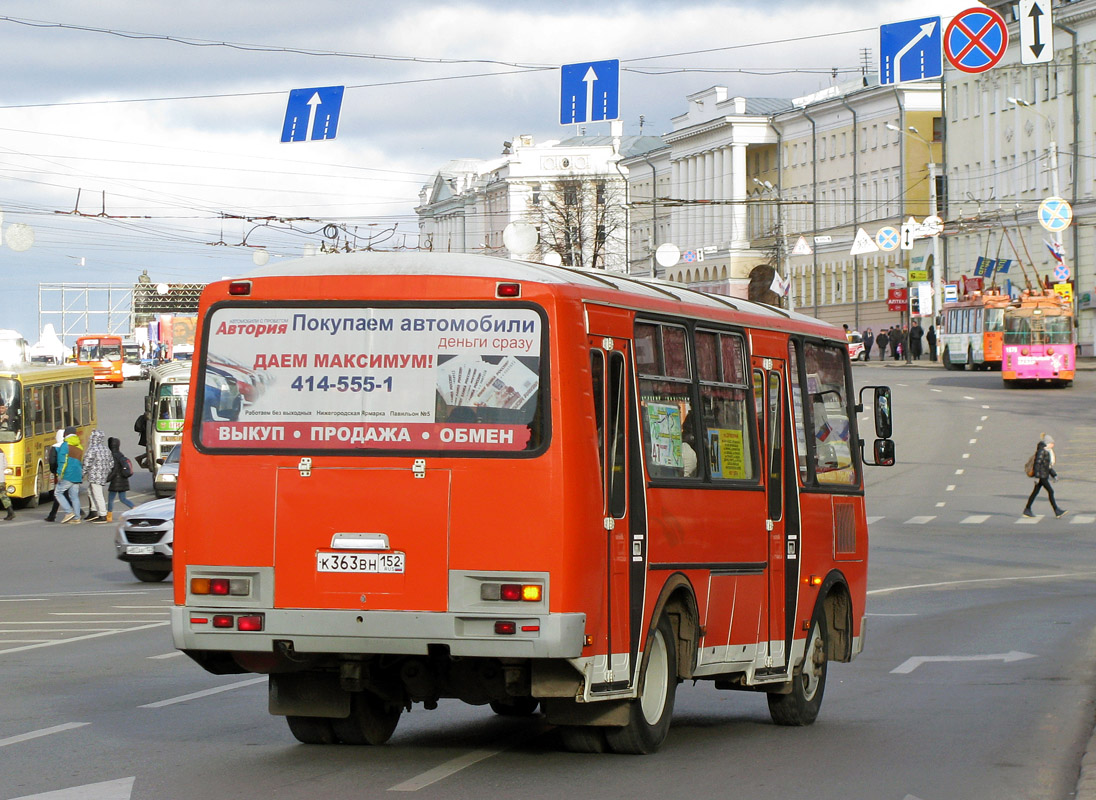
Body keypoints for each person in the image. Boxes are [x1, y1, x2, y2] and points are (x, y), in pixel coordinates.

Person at [1023, 434, 1066, 518]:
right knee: (1051, 491)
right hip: (1041, 476)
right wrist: (1036, 477)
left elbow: (1047, 466)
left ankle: (1027, 509)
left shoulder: (1045, 451)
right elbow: (1037, 464)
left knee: (1035, 492)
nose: (1053, 444)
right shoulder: (1042, 451)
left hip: (1043, 475)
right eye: (1052, 443)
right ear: (1048, 443)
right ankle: (1057, 510)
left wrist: (1054, 475)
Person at [101, 436, 135, 522]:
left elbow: (114, 470)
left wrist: (107, 479)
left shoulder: (112, 456)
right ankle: (134, 508)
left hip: (116, 481)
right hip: (123, 479)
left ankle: (109, 515)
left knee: (111, 499)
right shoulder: (120, 455)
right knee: (123, 498)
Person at [55, 426, 84, 524]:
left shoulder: (65, 445)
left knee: (58, 492)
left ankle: (68, 512)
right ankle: (77, 517)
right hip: (77, 474)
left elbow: (62, 461)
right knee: (74, 496)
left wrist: (59, 474)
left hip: (68, 474)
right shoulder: (79, 446)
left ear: (65, 434)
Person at [83, 429, 112, 523]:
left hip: (94, 475)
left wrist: (82, 474)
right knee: (90, 491)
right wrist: (106, 471)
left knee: (97, 494)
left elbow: (87, 463)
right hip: (103, 475)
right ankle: (93, 510)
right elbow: (111, 463)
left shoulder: (92, 449)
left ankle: (103, 514)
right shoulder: (106, 449)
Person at [44, 428, 65, 521]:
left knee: (58, 493)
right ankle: (79, 512)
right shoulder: (69, 445)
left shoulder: (55, 447)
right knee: (69, 494)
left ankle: (52, 515)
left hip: (60, 472)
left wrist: (54, 471)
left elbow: (52, 461)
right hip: (71, 472)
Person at [0, 448, 15, 521]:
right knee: (3, 496)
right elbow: (5, 465)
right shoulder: (1, 451)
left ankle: (11, 513)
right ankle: (10, 511)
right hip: (1, 479)